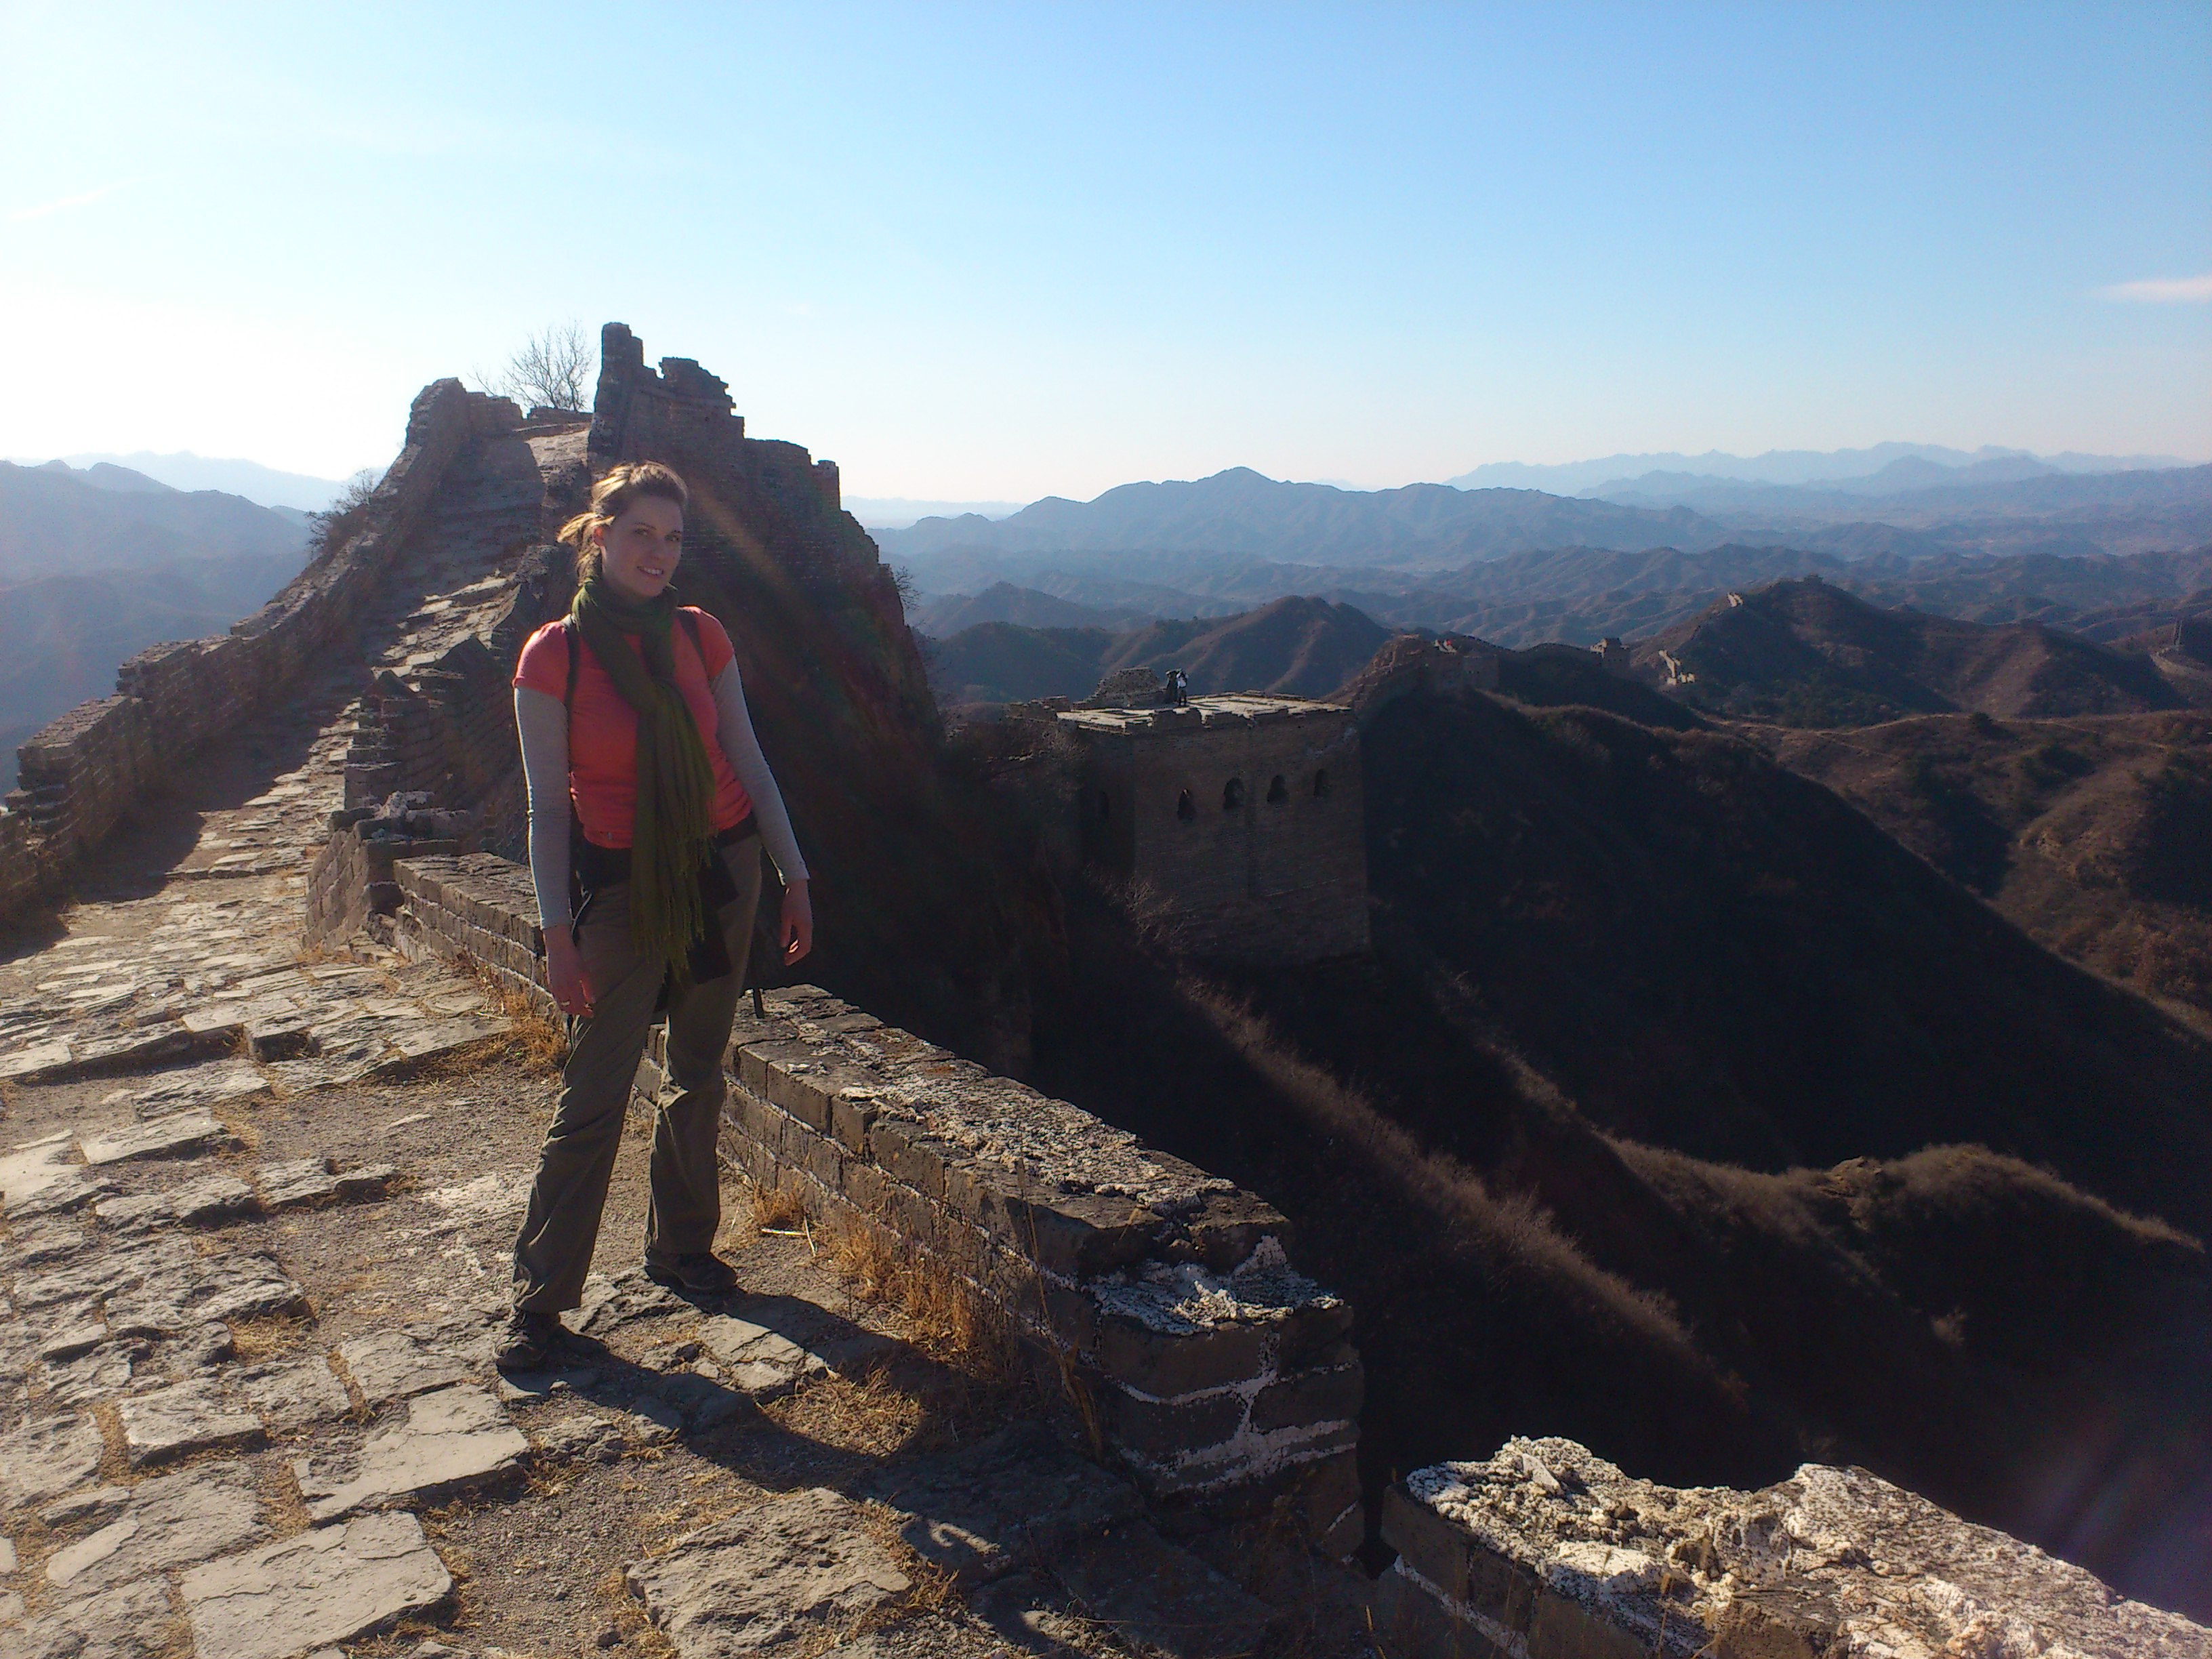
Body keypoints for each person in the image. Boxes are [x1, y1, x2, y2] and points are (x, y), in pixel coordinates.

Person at [495, 461, 813, 1372]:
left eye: (673, 539)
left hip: (724, 867)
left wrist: (798, 875)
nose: (659, 553)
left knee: (699, 1071)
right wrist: (556, 936)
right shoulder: (552, 655)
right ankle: (542, 1300)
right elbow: (546, 810)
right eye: (642, 534)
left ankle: (682, 1250)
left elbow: (748, 760)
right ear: (599, 537)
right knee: (592, 1096)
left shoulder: (700, 636)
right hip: (621, 886)